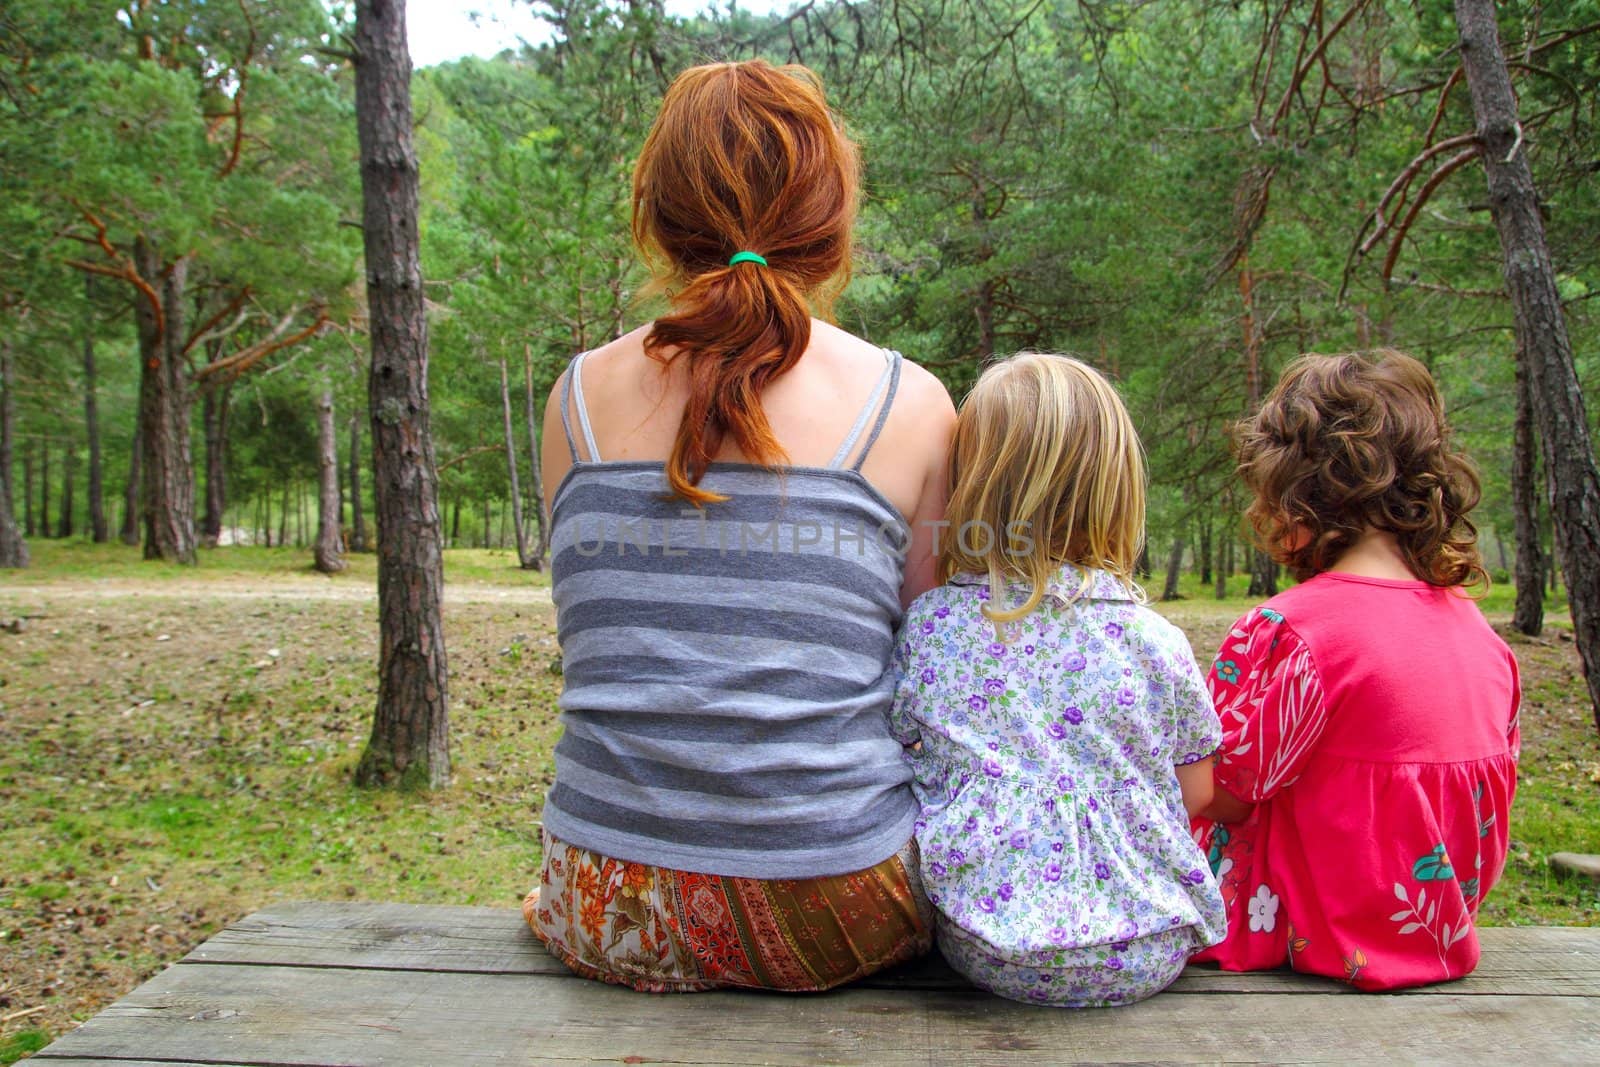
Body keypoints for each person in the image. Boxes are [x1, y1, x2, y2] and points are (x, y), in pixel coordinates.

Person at [523, 59, 957, 993]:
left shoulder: (575, 401)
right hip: (832, 901)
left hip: (602, 898)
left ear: (661, 214)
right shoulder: (909, 402)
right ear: (829, 215)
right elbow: (932, 661)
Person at [890, 353, 1226, 1008]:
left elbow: (899, 752)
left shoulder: (933, 626)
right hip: (1148, 946)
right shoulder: (1156, 640)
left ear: (970, 489)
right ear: (1118, 487)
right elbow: (1199, 790)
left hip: (986, 944)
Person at [1192, 350, 1520, 991]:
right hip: (1433, 922)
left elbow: (1219, 793)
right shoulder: (1479, 634)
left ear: (1290, 490)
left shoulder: (1292, 633)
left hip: (1313, 925)